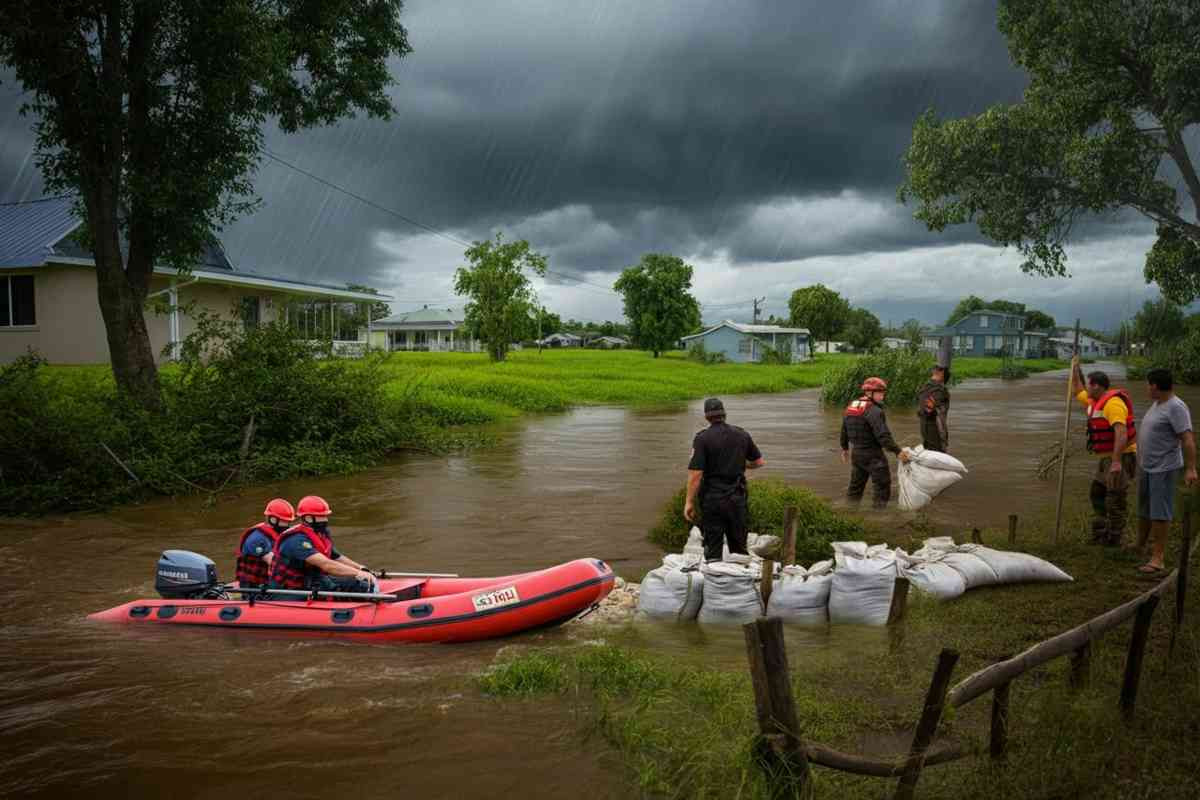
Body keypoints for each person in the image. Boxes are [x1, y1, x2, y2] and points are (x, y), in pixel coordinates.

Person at [684, 398, 764, 563]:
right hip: (737, 499)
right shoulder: (742, 434)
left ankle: (716, 584)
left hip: (712, 501)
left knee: (713, 547)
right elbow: (759, 462)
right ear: (724, 414)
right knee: (739, 547)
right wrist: (740, 463)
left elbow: (695, 475)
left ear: (707, 417)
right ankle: (740, 582)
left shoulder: (702, 438)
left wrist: (689, 502)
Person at [1135, 368, 1196, 575]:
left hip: (1165, 467)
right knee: (1144, 509)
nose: (1146, 388)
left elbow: (1187, 439)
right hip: (1148, 466)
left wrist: (1190, 469)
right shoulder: (1158, 404)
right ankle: (1139, 546)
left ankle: (1158, 558)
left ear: (1154, 386)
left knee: (1160, 513)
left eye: (1147, 384)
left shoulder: (1176, 407)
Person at [1071, 358, 1137, 545]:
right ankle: (1100, 533)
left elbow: (1121, 433)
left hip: (1121, 456)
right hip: (1107, 457)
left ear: (1097, 386)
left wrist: (1116, 462)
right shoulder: (1094, 401)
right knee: (1097, 493)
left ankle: (1114, 539)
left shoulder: (1113, 404)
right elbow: (1077, 389)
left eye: (1089, 385)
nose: (1087, 389)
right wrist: (1075, 369)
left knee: (1115, 497)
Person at [268, 495, 376, 596]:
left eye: (325, 515)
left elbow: (336, 556)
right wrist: (357, 573)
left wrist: (360, 567)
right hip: (290, 589)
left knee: (360, 584)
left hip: (311, 580)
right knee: (358, 585)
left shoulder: (320, 533)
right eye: (322, 516)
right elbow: (326, 565)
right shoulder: (296, 540)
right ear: (308, 518)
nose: (326, 519)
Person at [841, 377, 910, 509]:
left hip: (857, 455)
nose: (883, 395)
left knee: (855, 487)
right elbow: (883, 436)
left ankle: (849, 512)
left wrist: (844, 448)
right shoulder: (875, 411)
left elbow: (843, 430)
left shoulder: (851, 407)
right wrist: (898, 451)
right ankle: (878, 516)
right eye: (880, 392)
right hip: (873, 456)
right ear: (869, 393)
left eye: (883, 392)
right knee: (882, 486)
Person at [235, 498, 295, 588]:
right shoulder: (257, 539)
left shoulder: (278, 534)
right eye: (285, 521)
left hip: (269, 583)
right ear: (273, 519)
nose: (287, 524)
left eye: (289, 522)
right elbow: (274, 563)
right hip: (254, 588)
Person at [916, 364, 951, 453]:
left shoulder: (924, 388)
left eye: (938, 369)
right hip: (934, 432)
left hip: (929, 431)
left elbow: (924, 411)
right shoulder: (938, 390)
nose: (935, 369)